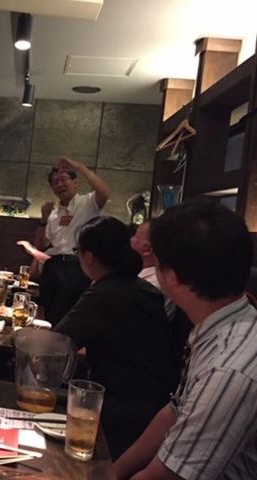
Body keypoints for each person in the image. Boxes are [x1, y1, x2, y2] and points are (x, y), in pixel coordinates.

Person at [115, 201, 257, 480]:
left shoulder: (227, 370)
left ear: (171, 278)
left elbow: (168, 475)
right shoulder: (224, 322)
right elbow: (174, 412)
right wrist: (110, 473)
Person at [53, 216, 178, 460]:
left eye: (78, 251)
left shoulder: (108, 292)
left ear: (89, 256)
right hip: (149, 406)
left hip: (119, 414)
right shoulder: (137, 287)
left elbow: (56, 344)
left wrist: (20, 338)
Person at [18, 156, 110, 325]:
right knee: (47, 315)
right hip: (53, 266)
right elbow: (41, 246)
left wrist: (80, 167)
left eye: (63, 179)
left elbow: (104, 192)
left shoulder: (87, 203)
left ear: (75, 183)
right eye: (54, 182)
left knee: (66, 317)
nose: (59, 184)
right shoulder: (53, 214)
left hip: (77, 267)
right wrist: (43, 218)